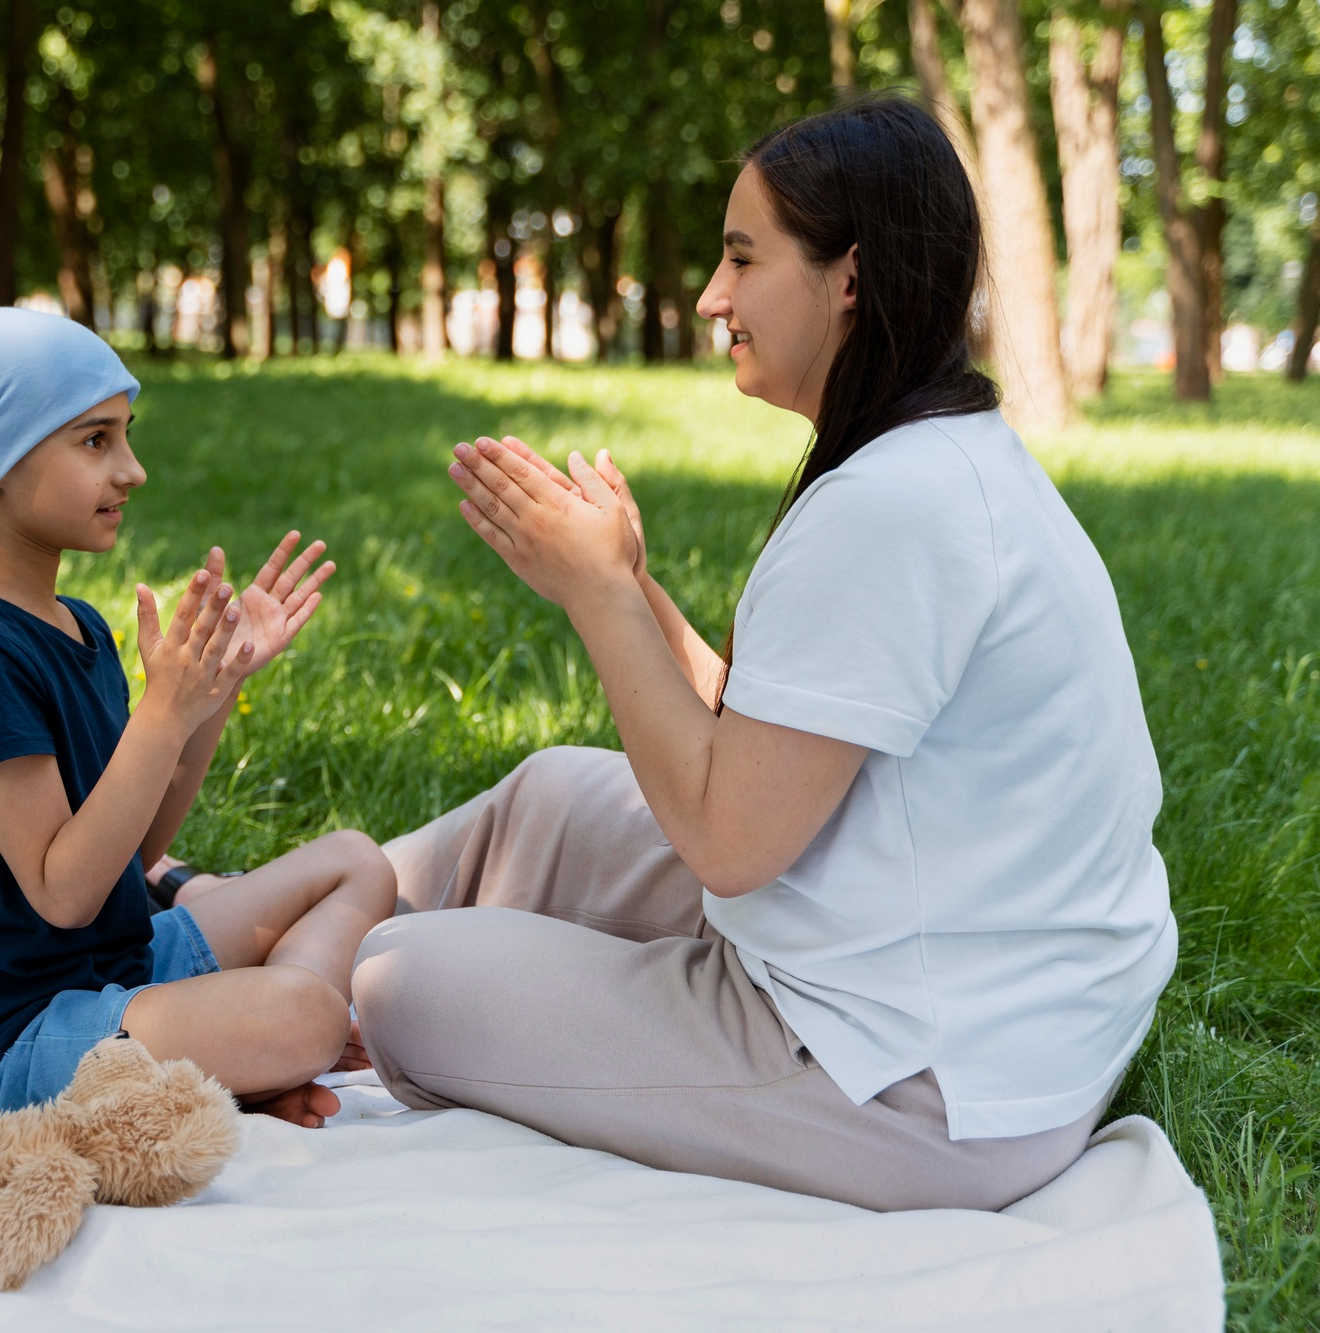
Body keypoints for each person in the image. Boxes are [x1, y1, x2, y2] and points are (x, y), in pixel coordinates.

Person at [352, 95, 1177, 1210]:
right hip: (933, 978)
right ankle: (228, 924)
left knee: (400, 985)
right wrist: (631, 578)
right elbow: (765, 731)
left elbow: (728, 841)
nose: (709, 296)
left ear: (850, 277)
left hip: (917, 1083)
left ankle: (262, 975)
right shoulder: (925, 462)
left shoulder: (892, 505)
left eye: (741, 258)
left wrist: (598, 598)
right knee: (546, 797)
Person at [0, 308, 395, 1129]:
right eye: (96, 441)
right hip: (15, 1036)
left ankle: (253, 1054)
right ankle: (270, 1047)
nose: (132, 469)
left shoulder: (80, 626)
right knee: (304, 1014)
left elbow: (136, 852)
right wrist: (161, 716)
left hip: (115, 971)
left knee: (355, 861)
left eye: (126, 436)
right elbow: (64, 892)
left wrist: (210, 695)